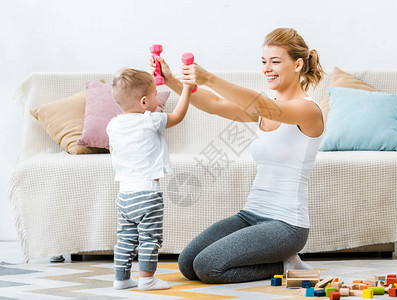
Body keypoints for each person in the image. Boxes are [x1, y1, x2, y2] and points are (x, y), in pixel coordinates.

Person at [149, 27, 325, 284]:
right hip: (251, 215)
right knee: (188, 263)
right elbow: (216, 105)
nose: (267, 68)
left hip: (287, 225)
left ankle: (285, 263)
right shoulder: (266, 107)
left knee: (208, 266)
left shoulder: (307, 110)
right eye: (264, 62)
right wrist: (173, 80)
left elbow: (267, 107)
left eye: (276, 62)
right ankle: (280, 261)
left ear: (298, 64)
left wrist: (209, 78)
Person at [107, 68, 193, 290]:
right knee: (149, 238)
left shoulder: (113, 125)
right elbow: (178, 116)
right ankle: (147, 279)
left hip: (124, 195)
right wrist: (186, 89)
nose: (158, 98)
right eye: (156, 94)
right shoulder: (150, 120)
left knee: (125, 239)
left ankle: (121, 279)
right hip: (147, 193)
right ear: (144, 102)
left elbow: (113, 150)